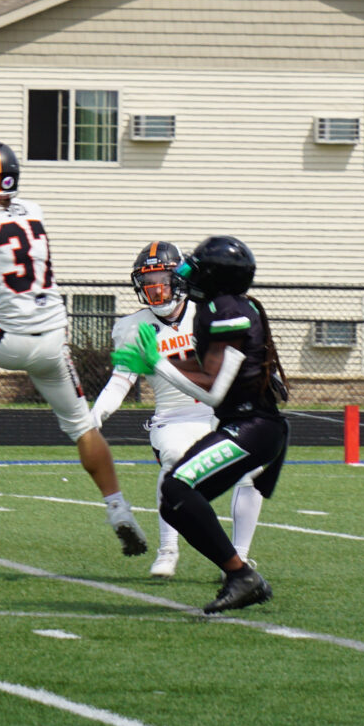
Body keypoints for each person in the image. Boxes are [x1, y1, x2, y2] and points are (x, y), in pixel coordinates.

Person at [0, 138, 147, 558]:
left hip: (10, 343)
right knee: (82, 428)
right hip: (55, 339)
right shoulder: (33, 209)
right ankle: (119, 509)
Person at [111, 235, 289, 613]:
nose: (184, 274)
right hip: (241, 423)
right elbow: (204, 374)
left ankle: (241, 572)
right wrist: (160, 362)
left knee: (177, 492)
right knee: (177, 500)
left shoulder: (226, 311)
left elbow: (214, 388)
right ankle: (238, 574)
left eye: (194, 266)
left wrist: (156, 362)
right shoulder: (214, 307)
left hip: (252, 427)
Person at [90, 240, 264, 579]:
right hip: (174, 416)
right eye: (149, 284)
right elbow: (121, 381)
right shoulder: (134, 327)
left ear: (179, 279)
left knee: (250, 471)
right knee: (175, 459)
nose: (156, 290)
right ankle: (168, 549)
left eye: (163, 281)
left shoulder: (210, 311)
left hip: (219, 413)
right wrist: (94, 418)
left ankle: (240, 558)